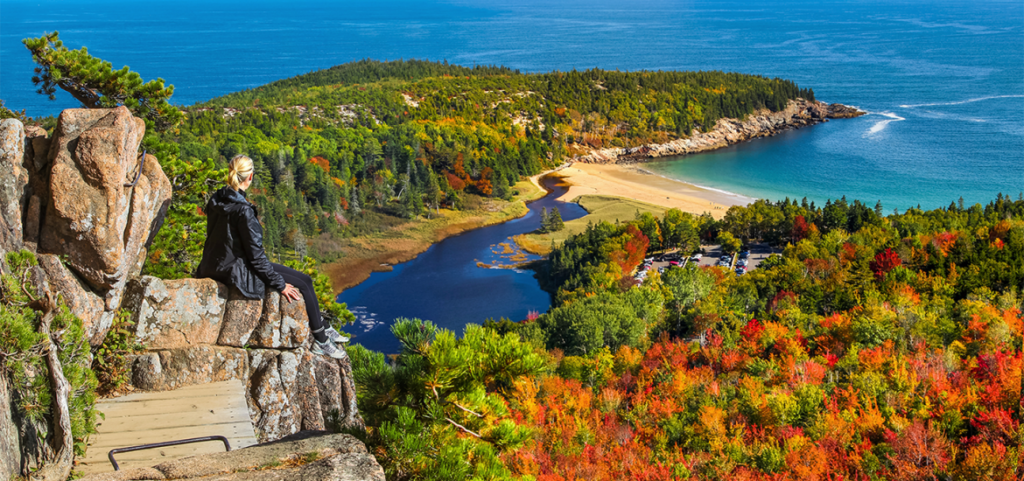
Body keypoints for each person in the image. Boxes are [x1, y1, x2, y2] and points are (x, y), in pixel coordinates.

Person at [197, 155, 348, 359]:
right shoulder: (243, 210)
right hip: (237, 268)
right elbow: (257, 258)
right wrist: (280, 284)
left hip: (214, 265)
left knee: (302, 280)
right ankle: (320, 340)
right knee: (304, 282)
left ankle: (323, 326)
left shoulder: (217, 199)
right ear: (250, 177)